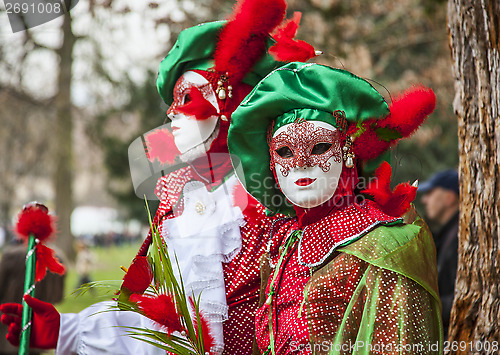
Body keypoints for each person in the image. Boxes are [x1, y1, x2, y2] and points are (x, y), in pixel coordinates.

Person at [0, 0, 317, 353]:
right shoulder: (179, 200)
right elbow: (159, 323)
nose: (172, 115)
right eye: (171, 101)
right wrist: (70, 330)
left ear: (231, 101)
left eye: (186, 98)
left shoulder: (282, 200)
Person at [227, 62, 443, 354]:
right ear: (270, 164)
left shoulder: (385, 244)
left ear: (348, 153)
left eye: (319, 148)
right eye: (284, 152)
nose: (301, 163)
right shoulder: (280, 242)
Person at [0, 239, 65, 355]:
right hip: (38, 332)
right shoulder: (57, 256)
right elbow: (58, 296)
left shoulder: (10, 256)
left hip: (7, 330)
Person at [419, 169, 459, 337]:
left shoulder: (460, 237)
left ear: (449, 198)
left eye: (430, 193)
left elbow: (463, 300)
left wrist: (420, 307)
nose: (424, 199)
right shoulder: (450, 234)